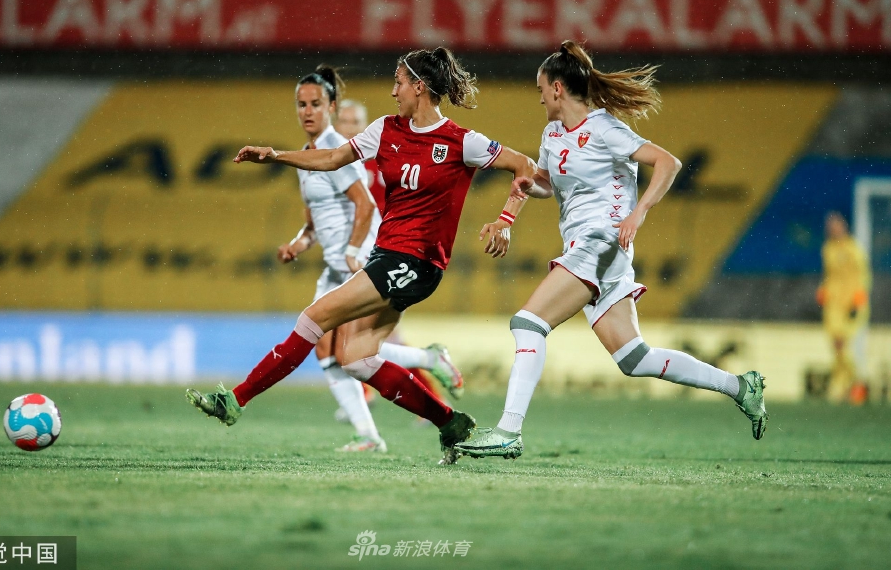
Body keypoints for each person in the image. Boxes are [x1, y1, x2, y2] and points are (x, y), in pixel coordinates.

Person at [187, 47, 536, 465]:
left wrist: (505, 220)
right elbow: (333, 158)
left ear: (419, 87)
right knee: (355, 358)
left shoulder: (461, 141)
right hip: (386, 257)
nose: (393, 91)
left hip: (417, 262)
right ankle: (450, 422)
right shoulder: (385, 129)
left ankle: (236, 400)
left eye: (398, 82)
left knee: (313, 319)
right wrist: (276, 155)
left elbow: (524, 166)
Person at [455, 41, 769, 461]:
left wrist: (638, 212)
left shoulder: (605, 128)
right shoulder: (552, 134)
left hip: (602, 243)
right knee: (634, 358)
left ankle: (508, 431)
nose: (540, 97)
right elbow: (545, 183)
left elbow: (668, 163)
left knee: (528, 323)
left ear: (558, 89)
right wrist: (515, 206)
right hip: (592, 250)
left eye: (541, 89)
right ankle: (740, 387)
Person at [335, 98, 462, 420]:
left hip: (382, 254)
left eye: (355, 122)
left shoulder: (378, 161)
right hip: (360, 254)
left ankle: (410, 388)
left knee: (356, 335)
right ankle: (423, 391)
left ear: (363, 127)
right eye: (344, 121)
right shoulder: (344, 164)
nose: (348, 128)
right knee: (365, 336)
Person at [817, 211, 871, 404]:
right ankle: (848, 384)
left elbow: (863, 275)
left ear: (844, 227)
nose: (834, 229)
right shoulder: (827, 249)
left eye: (836, 225)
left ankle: (850, 384)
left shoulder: (854, 249)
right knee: (836, 345)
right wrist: (823, 289)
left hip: (851, 304)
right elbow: (828, 274)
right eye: (830, 227)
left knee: (843, 344)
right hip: (833, 305)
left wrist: (859, 297)